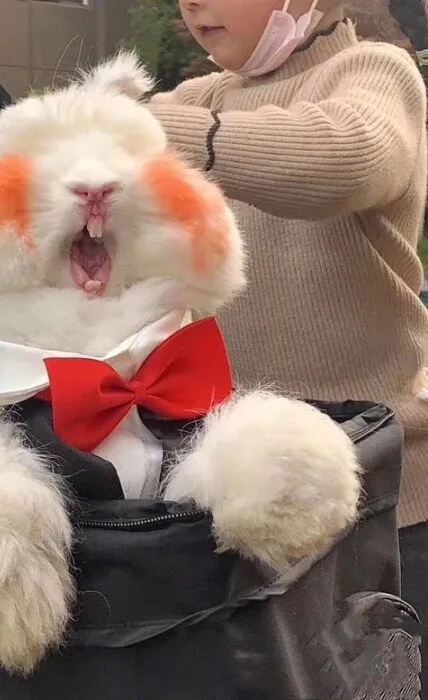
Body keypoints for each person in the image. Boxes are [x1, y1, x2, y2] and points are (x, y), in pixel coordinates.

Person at [148, 0, 428, 672]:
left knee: (384, 678)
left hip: (383, 490)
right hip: (250, 494)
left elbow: (349, 158)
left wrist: (143, 136)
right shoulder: (197, 98)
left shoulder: (374, 72)